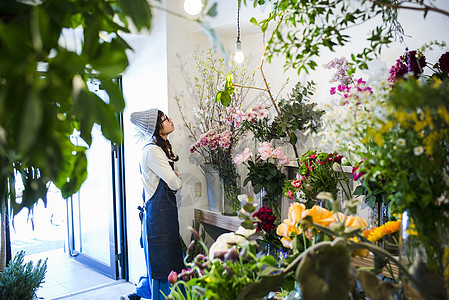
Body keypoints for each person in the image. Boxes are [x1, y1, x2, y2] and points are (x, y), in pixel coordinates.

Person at [121, 109, 185, 300]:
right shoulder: (152, 151)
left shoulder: (158, 148)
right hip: (159, 218)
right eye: (165, 118)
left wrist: (173, 177)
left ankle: (139, 293)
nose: (170, 119)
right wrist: (175, 178)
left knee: (170, 262)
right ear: (156, 126)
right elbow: (175, 183)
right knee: (162, 266)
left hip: (163, 216)